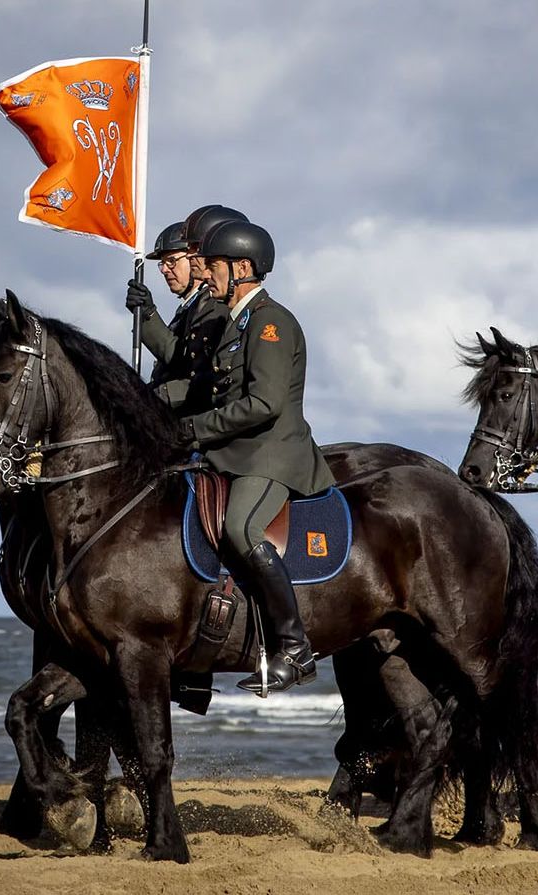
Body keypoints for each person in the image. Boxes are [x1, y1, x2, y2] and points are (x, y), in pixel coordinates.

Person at [176, 219, 334, 693]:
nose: (207, 275)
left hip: (269, 455)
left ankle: (294, 647)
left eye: (217, 267)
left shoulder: (270, 323)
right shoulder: (236, 323)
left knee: (241, 527)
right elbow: (207, 387)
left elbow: (264, 403)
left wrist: (194, 429)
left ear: (242, 267)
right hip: (234, 452)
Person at [124, 207, 241, 410]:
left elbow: (187, 364)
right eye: (162, 264)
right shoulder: (189, 307)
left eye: (171, 261)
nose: (165, 270)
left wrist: (152, 397)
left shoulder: (215, 303)